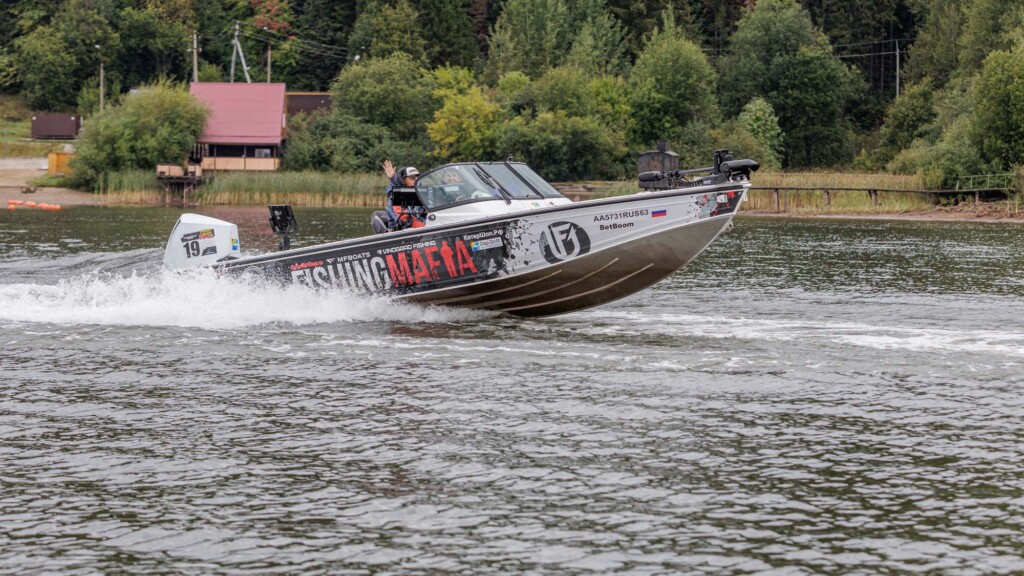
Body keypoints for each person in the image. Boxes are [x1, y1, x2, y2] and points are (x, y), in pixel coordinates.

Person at [381, 159, 422, 231]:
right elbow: (405, 221)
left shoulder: (422, 194)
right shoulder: (395, 198)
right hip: (403, 232)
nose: (416, 181)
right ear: (403, 180)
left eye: (418, 178)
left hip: (421, 229)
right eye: (412, 178)